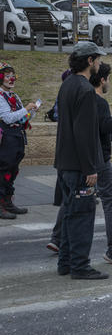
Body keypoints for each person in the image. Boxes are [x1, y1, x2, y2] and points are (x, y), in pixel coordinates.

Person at [48, 62, 112, 265]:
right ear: (103, 80)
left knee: (71, 202)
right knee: (110, 205)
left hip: (75, 161)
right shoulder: (96, 100)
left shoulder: (73, 92)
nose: (109, 83)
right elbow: (103, 126)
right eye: (109, 79)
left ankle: (58, 240)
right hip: (97, 161)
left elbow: (96, 130)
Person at [54, 41, 107, 280]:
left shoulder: (67, 85)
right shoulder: (85, 90)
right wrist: (90, 168)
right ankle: (80, 266)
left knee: (69, 215)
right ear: (89, 61)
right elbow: (84, 133)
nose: (99, 64)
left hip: (64, 163)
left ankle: (65, 263)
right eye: (97, 59)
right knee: (82, 217)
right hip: (79, 166)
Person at [0, 62, 38, 219]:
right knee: (3, 171)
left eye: (12, 76)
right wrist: (26, 109)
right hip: (7, 138)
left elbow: (22, 118)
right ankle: (1, 205)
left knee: (13, 170)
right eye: (7, 76)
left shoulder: (14, 96)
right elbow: (7, 118)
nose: (11, 79)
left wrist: (32, 112)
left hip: (17, 137)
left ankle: (8, 202)